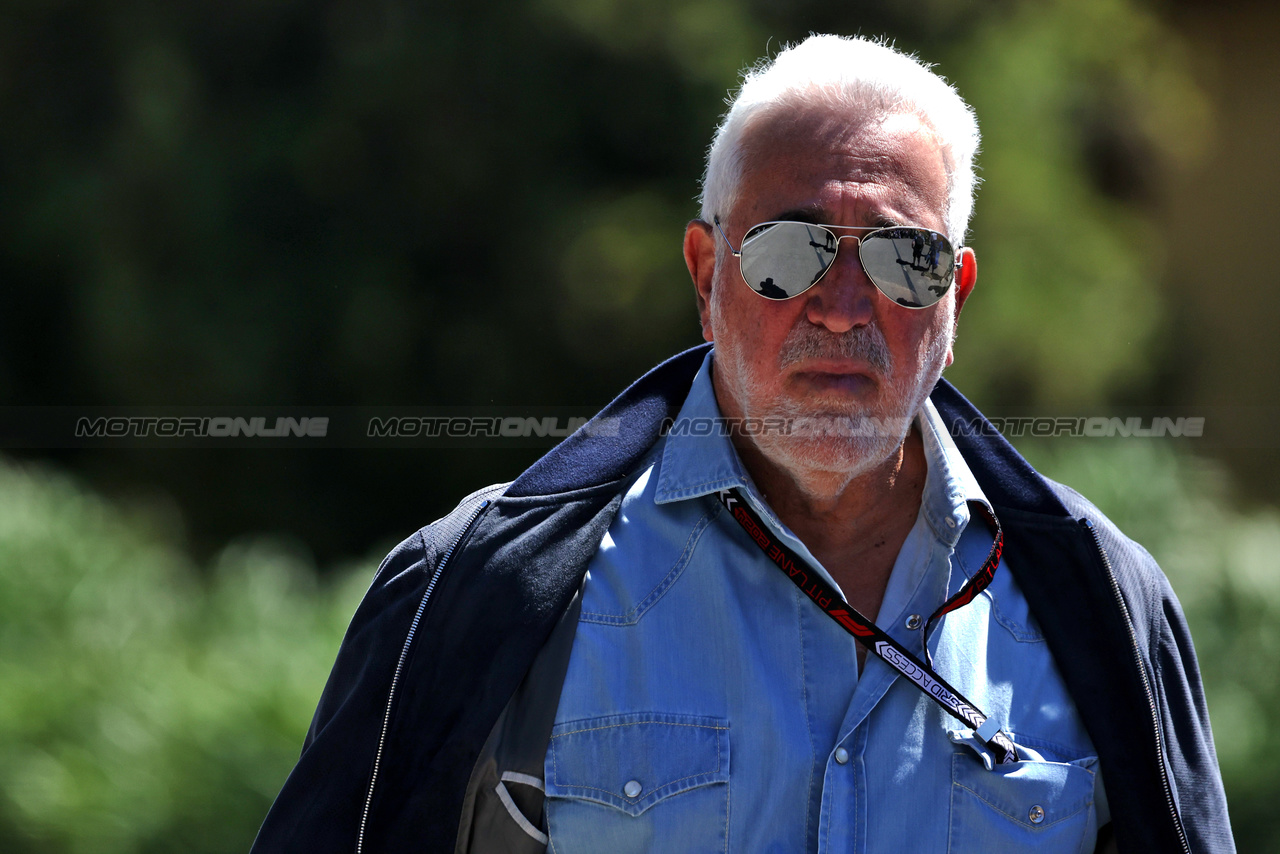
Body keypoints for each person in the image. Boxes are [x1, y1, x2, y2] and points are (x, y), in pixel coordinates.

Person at [251, 35, 1233, 854]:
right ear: (704, 273)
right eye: (785, 248)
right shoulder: (474, 589)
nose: (843, 308)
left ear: (953, 295)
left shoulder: (1101, 605)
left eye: (902, 257)